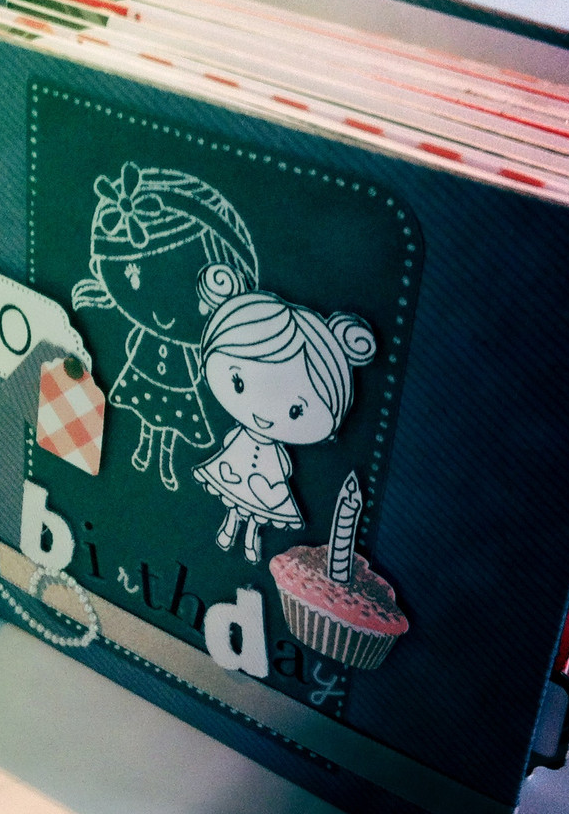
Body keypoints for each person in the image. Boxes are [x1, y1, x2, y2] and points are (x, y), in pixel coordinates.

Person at [71, 162, 258, 491]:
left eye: (197, 296)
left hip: (176, 381)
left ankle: (163, 463)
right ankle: (144, 449)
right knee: (148, 416)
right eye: (134, 280)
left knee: (169, 424)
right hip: (147, 373)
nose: (162, 315)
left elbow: (196, 368)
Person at [192, 263, 376, 563]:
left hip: (265, 481)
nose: (263, 417)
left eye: (296, 410)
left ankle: (250, 539)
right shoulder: (241, 435)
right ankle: (229, 528)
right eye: (238, 382)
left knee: (256, 513)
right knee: (236, 504)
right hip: (237, 469)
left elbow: (283, 466)